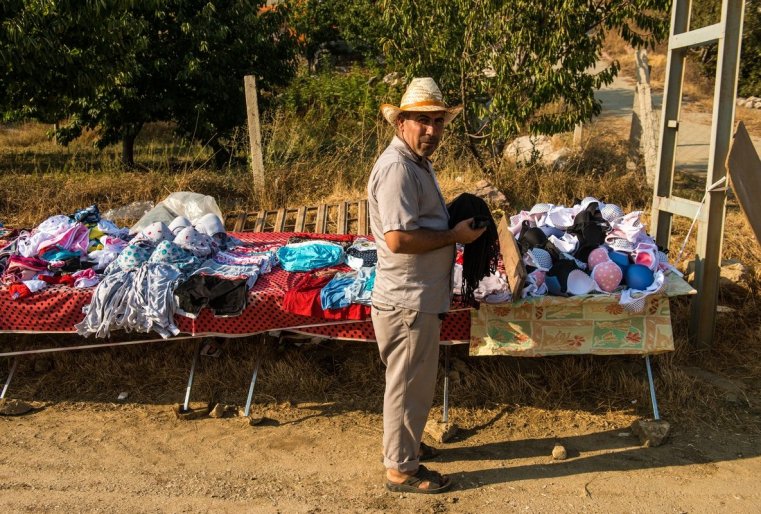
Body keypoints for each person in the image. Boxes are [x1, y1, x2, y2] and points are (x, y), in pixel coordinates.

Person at [367, 77, 486, 494]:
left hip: (415, 296)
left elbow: (416, 223)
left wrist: (451, 219)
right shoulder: (399, 169)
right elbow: (398, 240)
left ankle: (407, 447)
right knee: (406, 384)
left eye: (438, 121)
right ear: (401, 123)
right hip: (406, 300)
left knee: (415, 382)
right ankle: (401, 469)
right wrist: (455, 237)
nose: (431, 130)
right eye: (422, 120)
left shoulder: (416, 163)